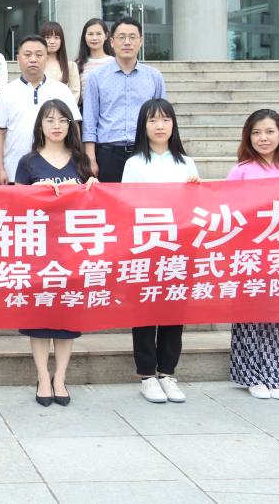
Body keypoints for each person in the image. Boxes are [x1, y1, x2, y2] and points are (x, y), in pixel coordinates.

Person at [14, 99, 97, 407]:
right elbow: (15, 204)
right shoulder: (28, 162)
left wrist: (94, 188)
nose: (56, 126)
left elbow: (93, 206)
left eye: (62, 120)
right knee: (39, 317)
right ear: (40, 125)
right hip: (39, 250)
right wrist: (37, 192)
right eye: (49, 120)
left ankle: (60, 377)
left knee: (66, 318)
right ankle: (42, 376)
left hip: (72, 251)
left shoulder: (81, 160)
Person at [121, 98, 199, 404]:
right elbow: (125, 204)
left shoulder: (186, 163)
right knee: (144, 311)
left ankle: (167, 373)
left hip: (179, 248)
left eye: (165, 120)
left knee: (173, 311)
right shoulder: (134, 164)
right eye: (152, 120)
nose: (159, 126)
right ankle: (147, 375)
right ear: (143, 126)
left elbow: (196, 207)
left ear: (173, 124)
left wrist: (196, 189)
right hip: (146, 247)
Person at [228, 109, 279, 401]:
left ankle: (275, 376)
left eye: (269, 131)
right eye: (256, 132)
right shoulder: (241, 171)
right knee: (249, 316)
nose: (263, 138)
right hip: (250, 255)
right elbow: (228, 211)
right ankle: (251, 376)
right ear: (248, 137)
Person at [83, 17, 167, 183]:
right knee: (109, 199)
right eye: (121, 37)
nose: (127, 42)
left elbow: (163, 119)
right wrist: (90, 157)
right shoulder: (96, 77)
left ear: (141, 41)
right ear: (112, 42)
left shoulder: (154, 77)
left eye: (132, 37)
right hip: (108, 153)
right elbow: (90, 119)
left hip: (144, 151)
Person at [0, 36, 79, 185]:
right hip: (13, 172)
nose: (33, 59)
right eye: (27, 54)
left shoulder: (62, 90)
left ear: (47, 58)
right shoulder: (6, 91)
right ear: (18, 59)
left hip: (56, 174)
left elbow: (74, 127)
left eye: (39, 55)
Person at [75, 17, 114, 104]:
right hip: (85, 110)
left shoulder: (115, 63)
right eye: (90, 34)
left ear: (106, 36)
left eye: (98, 34)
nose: (94, 38)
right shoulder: (77, 64)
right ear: (84, 37)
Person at [40, 21, 80, 103]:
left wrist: (61, 109)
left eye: (56, 37)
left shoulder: (70, 66)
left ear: (61, 41)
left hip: (64, 109)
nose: (52, 41)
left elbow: (75, 93)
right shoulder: (36, 64)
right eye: (47, 37)